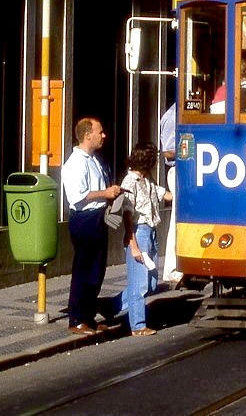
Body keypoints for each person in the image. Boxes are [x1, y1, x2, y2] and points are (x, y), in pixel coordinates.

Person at [61, 117, 121, 335]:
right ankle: (76, 319)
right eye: (100, 132)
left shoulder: (94, 160)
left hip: (98, 217)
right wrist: (105, 193)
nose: (104, 135)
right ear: (88, 135)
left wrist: (110, 194)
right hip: (84, 219)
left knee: (97, 270)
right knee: (83, 269)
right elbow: (78, 196)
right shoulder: (75, 163)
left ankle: (88, 316)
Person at [120, 143, 173, 336]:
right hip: (138, 233)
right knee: (140, 283)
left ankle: (112, 306)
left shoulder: (146, 179)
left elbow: (161, 193)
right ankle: (138, 325)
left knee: (150, 283)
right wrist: (132, 244)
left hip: (151, 231)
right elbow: (127, 216)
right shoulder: (129, 182)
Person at [158, 102, 182, 284]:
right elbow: (167, 152)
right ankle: (172, 269)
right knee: (176, 217)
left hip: (185, 170)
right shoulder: (172, 116)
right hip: (177, 171)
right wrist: (190, 149)